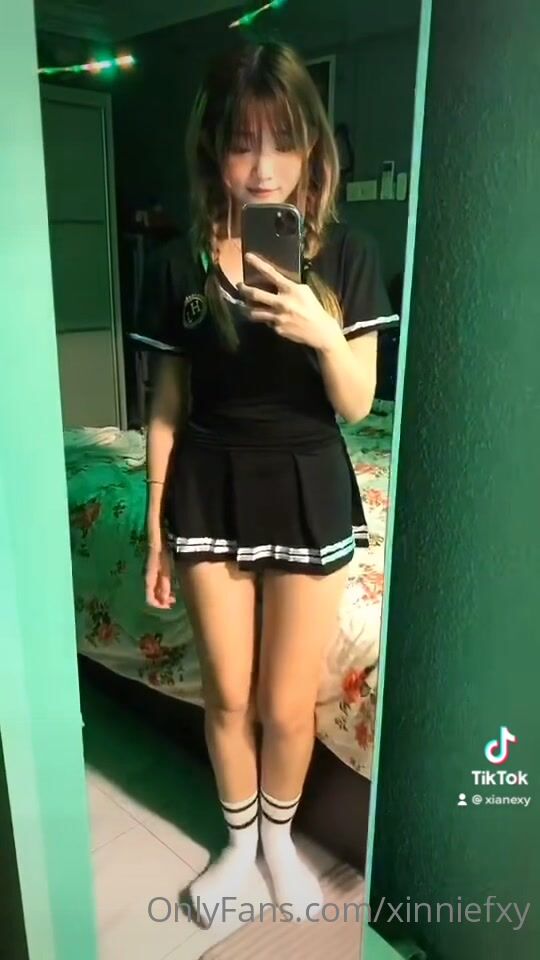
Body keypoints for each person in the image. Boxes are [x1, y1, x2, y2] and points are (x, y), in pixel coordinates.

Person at [142, 40, 397, 922]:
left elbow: (356, 405)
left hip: (307, 485)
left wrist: (321, 332)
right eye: (241, 142)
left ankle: (279, 844)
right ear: (213, 147)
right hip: (207, 486)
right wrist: (155, 527)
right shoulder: (175, 264)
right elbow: (166, 404)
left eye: (282, 141)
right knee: (227, 695)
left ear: (310, 147)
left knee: (288, 708)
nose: (261, 167)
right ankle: (238, 845)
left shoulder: (348, 255)